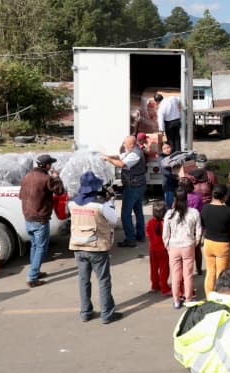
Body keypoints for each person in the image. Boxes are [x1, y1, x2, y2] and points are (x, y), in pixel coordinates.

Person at [68, 171, 121, 324]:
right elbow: (114, 221)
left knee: (83, 280)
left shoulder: (72, 203)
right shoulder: (100, 206)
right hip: (97, 247)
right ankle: (107, 314)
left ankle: (85, 312)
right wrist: (110, 201)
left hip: (78, 246)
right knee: (103, 281)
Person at [19, 154, 64, 287]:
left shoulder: (26, 177)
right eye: (50, 164)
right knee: (41, 248)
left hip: (28, 218)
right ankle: (32, 277)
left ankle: (35, 271)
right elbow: (60, 191)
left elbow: (21, 196)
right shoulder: (47, 178)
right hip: (40, 219)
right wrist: (56, 177)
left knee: (34, 246)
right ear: (47, 166)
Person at [165, 189, 204, 309]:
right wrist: (196, 242)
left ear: (175, 200)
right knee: (188, 274)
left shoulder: (170, 213)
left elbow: (165, 233)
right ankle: (188, 298)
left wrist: (167, 245)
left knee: (175, 275)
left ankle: (176, 300)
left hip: (174, 246)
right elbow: (198, 230)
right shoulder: (194, 212)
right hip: (188, 245)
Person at [105, 135, 146, 248]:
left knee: (125, 214)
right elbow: (120, 156)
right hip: (138, 185)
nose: (123, 145)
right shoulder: (132, 151)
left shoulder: (135, 154)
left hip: (133, 187)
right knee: (138, 212)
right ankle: (140, 235)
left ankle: (130, 239)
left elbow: (122, 164)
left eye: (125, 143)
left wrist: (108, 160)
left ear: (131, 144)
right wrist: (107, 156)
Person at [202, 185, 230, 297]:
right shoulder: (229, 211)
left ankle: (209, 296)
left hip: (208, 243)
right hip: (223, 244)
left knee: (210, 271)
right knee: (221, 273)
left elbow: (203, 224)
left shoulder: (205, 208)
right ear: (225, 197)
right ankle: (220, 295)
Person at [147, 200, 172, 296]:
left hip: (153, 249)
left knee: (153, 269)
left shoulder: (149, 223)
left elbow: (148, 235)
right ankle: (164, 288)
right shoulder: (165, 223)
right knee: (164, 270)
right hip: (163, 250)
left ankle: (155, 285)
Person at [159, 140, 180, 208]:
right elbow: (165, 172)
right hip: (168, 185)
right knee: (169, 205)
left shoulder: (174, 155)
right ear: (161, 150)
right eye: (164, 148)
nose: (167, 150)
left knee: (177, 205)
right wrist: (176, 177)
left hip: (176, 184)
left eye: (168, 147)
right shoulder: (161, 158)